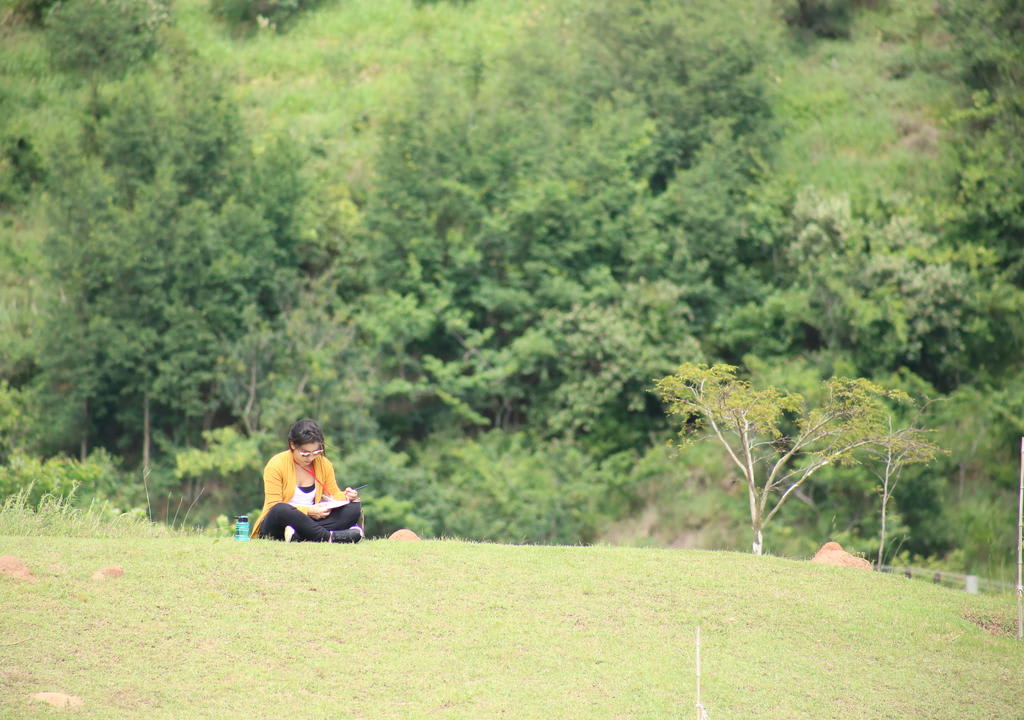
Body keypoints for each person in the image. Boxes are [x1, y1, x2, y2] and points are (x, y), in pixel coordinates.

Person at [250, 418, 364, 543]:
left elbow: (333, 494)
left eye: (316, 452)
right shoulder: (276, 465)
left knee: (353, 509)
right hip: (279, 524)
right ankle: (329, 537)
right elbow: (273, 506)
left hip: (313, 520)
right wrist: (309, 511)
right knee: (280, 509)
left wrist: (347, 496)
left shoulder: (323, 464)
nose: (310, 458)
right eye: (305, 453)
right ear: (293, 444)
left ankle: (297, 536)